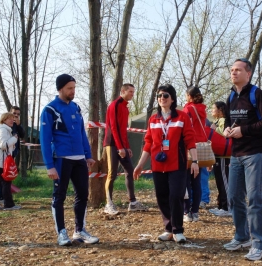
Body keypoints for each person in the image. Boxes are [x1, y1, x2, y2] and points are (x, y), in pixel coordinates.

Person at [223, 58, 262, 261]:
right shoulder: (231, 97)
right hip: (236, 155)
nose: (233, 73)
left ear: (248, 73)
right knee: (234, 198)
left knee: (255, 200)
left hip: (256, 154)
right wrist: (227, 128)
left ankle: (260, 245)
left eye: (238, 70)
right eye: (231, 70)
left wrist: (243, 131)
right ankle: (242, 237)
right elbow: (229, 120)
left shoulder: (258, 95)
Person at [133, 84, 199, 243]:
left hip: (178, 164)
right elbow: (148, 143)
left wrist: (195, 161)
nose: (162, 98)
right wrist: (140, 164)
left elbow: (190, 140)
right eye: (159, 96)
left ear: (172, 99)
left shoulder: (182, 117)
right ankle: (168, 229)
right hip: (158, 164)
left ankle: (178, 230)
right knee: (162, 196)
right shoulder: (153, 119)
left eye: (165, 96)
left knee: (176, 195)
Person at [40, 74, 99, 246]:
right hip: (61, 159)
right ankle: (61, 233)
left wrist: (87, 155)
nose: (73, 91)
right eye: (69, 88)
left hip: (79, 158)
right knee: (59, 196)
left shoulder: (76, 108)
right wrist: (49, 166)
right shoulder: (50, 110)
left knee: (82, 194)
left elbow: (82, 132)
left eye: (74, 88)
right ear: (60, 89)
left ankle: (79, 231)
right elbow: (45, 139)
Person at [103, 83, 148, 215]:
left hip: (121, 145)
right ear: (122, 91)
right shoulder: (114, 105)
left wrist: (127, 147)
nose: (132, 95)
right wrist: (120, 147)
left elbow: (123, 130)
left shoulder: (125, 108)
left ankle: (132, 202)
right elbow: (114, 128)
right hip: (112, 144)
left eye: (133, 92)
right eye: (130, 92)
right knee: (112, 173)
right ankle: (108, 204)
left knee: (129, 170)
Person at [182, 86, 207, 222]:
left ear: (189, 96)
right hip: (201, 148)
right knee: (196, 181)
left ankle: (186, 212)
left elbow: (185, 128)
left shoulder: (189, 109)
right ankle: (195, 212)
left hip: (189, 147)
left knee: (186, 181)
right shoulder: (202, 110)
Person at [0, 112, 21, 211]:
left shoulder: (4, 130)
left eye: (12, 119)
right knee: (6, 182)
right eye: (9, 119)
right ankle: (8, 205)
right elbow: (3, 145)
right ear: (4, 120)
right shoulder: (2, 130)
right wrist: (14, 139)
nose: (12, 120)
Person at [208, 101, 231, 217]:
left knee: (224, 181)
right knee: (219, 181)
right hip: (218, 155)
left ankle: (228, 207)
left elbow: (226, 134)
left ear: (220, 110)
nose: (212, 110)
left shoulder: (225, 121)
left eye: (214, 108)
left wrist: (214, 129)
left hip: (224, 157)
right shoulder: (216, 122)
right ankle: (221, 206)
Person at [0, 106, 25, 203]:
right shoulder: (6, 124)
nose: (16, 116)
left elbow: (22, 135)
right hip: (4, 153)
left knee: (9, 174)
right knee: (3, 175)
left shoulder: (17, 124)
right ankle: (1, 197)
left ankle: (3, 196)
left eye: (18, 114)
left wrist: (19, 125)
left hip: (13, 152)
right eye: (14, 114)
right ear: (10, 113)